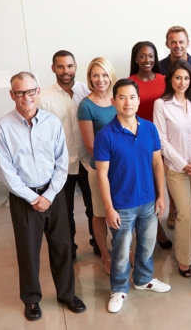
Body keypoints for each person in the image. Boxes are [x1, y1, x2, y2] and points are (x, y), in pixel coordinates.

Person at [0, 72, 86, 321]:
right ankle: (32, 300)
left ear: (38, 92)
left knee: (63, 247)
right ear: (12, 95)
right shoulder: (3, 127)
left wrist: (50, 194)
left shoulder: (52, 123)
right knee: (28, 252)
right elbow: (6, 171)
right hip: (24, 200)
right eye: (20, 92)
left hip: (53, 195)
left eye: (31, 91)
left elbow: (61, 162)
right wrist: (32, 198)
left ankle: (67, 294)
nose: (26, 97)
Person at [94, 79, 171, 313]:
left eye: (132, 97)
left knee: (147, 247)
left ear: (138, 99)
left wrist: (161, 195)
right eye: (122, 97)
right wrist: (108, 208)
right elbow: (102, 175)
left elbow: (157, 162)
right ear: (113, 100)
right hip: (122, 206)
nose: (128, 102)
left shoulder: (149, 128)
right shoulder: (106, 135)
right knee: (120, 251)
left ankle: (143, 279)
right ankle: (119, 289)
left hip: (148, 201)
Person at [153, 60, 191, 278]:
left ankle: (189, 253)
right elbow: (161, 139)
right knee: (184, 212)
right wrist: (182, 164)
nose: (182, 82)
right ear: (170, 79)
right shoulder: (162, 104)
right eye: (178, 77)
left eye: (186, 78)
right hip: (177, 168)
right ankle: (183, 259)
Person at [39, 50, 98, 260]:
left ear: (76, 67)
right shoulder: (44, 99)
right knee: (65, 213)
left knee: (95, 208)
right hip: (62, 166)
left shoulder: (86, 91)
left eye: (70, 66)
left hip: (88, 161)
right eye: (61, 66)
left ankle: (99, 245)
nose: (66, 71)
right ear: (53, 68)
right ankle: (69, 251)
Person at [128, 41, 172, 249]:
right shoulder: (129, 82)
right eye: (143, 56)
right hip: (138, 141)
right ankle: (155, 231)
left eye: (151, 56)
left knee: (162, 185)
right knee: (147, 186)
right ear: (136, 58)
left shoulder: (165, 81)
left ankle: (157, 227)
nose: (147, 60)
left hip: (163, 140)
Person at [77, 57, 117, 274]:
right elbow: (91, 145)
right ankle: (105, 254)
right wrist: (112, 162)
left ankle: (122, 249)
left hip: (122, 168)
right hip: (100, 168)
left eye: (104, 74)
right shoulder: (86, 105)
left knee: (122, 211)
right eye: (95, 75)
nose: (100, 79)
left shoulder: (118, 98)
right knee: (100, 213)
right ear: (89, 79)